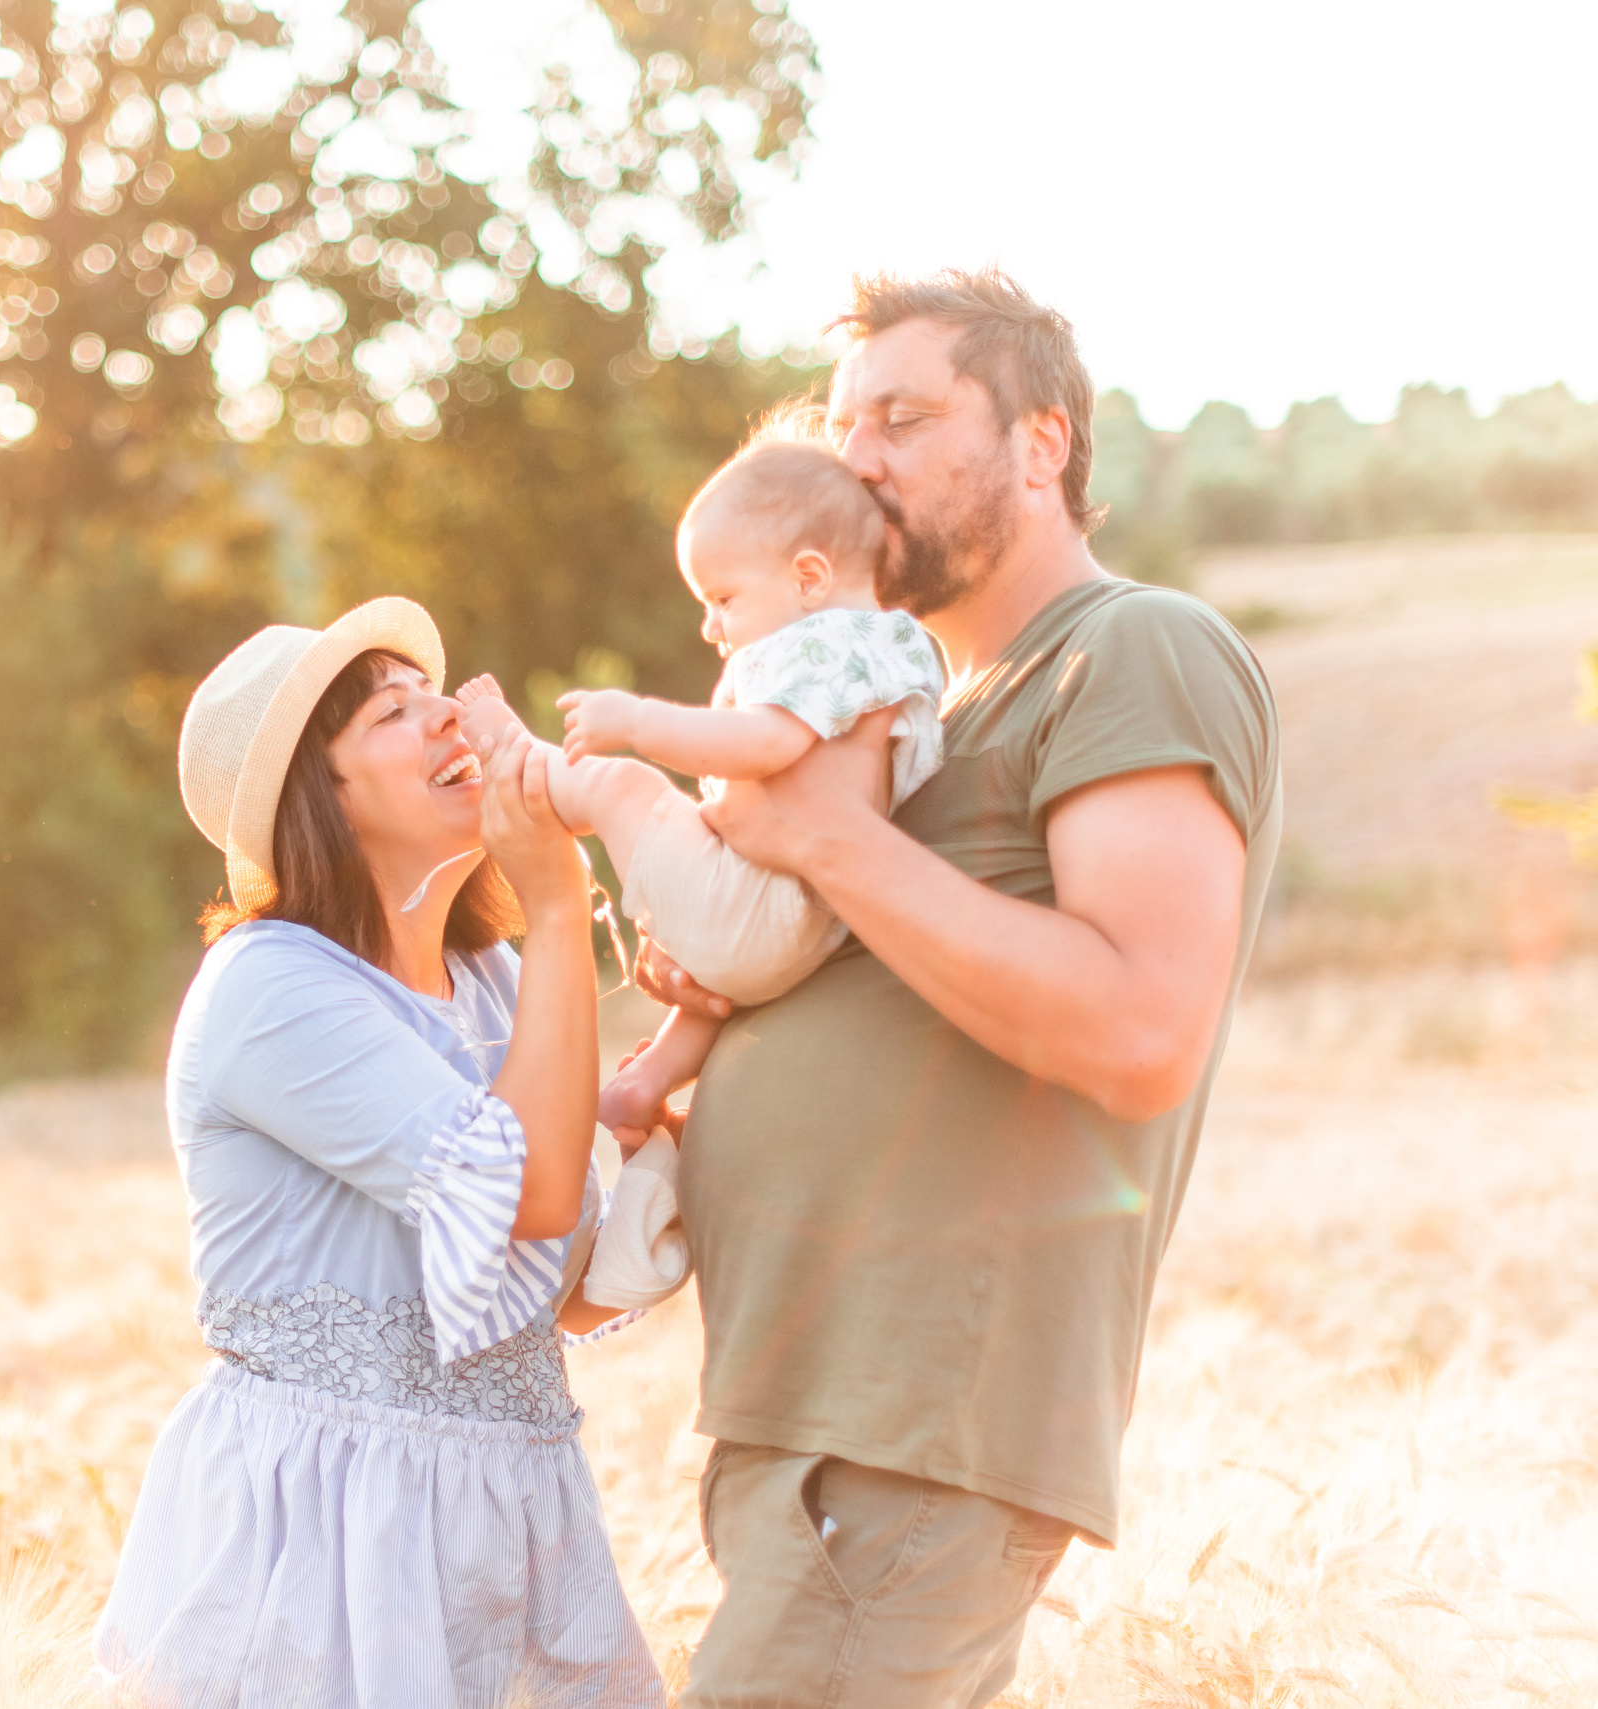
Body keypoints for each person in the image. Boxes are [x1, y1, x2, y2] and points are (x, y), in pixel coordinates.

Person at [641, 269, 1283, 1708]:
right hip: (815, 1424)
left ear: (1040, 443)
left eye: (905, 417)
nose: (856, 458)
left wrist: (820, 838)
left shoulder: (1130, 650)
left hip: (919, 1424)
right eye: (844, 423)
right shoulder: (920, 713)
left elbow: (1136, 1029)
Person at [93, 597, 663, 1709]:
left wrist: (668, 1129)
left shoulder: (496, 978)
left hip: (507, 1515)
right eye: (397, 711)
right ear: (324, 795)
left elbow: (564, 1291)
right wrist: (555, 894)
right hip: (328, 1531)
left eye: (435, 692)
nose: (452, 716)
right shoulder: (271, 985)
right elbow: (536, 1194)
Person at [452, 438, 946, 1155]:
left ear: (810, 577)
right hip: (807, 924)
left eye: (723, 599)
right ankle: (643, 1081)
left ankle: (514, 759)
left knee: (624, 784)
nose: (711, 627)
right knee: (716, 987)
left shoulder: (822, 644)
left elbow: (763, 744)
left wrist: (636, 722)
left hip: (764, 905)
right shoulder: (897, 644)